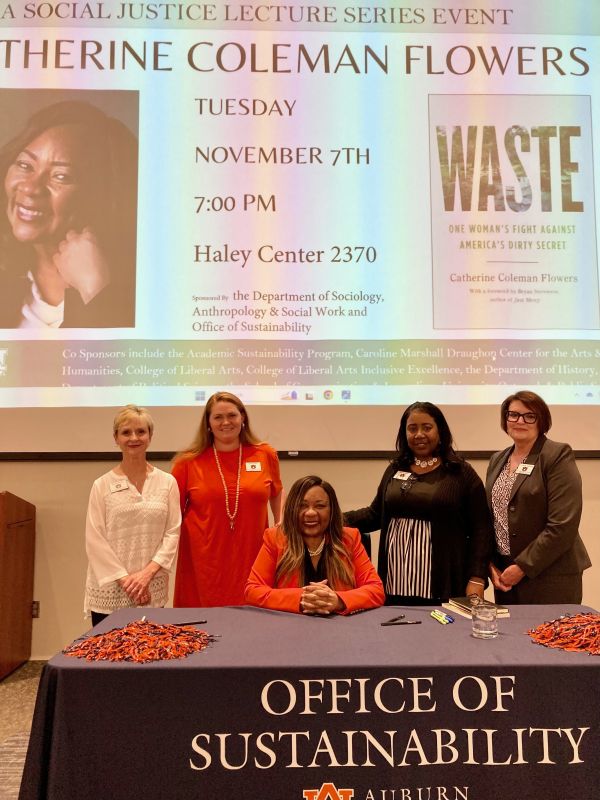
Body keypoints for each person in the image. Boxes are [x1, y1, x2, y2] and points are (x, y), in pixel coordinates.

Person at [0, 99, 138, 328]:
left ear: (101, 192)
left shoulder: (139, 291)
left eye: (61, 176)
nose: (30, 187)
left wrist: (96, 290)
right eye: (25, 165)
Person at [345, 401, 493, 605]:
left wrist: (477, 577)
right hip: (395, 581)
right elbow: (374, 514)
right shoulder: (395, 469)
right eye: (412, 429)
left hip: (443, 584)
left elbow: (481, 528)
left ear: (440, 431)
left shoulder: (461, 473)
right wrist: (334, 519)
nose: (419, 434)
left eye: (427, 427)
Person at [173, 391, 283, 607]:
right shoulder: (187, 462)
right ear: (208, 423)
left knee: (251, 621)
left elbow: (276, 491)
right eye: (218, 417)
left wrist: (280, 526)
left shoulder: (265, 454)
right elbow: (172, 513)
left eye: (232, 415)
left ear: (243, 418)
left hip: (252, 553)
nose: (226, 422)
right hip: (203, 560)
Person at [486, 390, 591, 604]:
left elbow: (563, 525)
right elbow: (493, 519)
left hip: (550, 575)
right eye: (513, 414)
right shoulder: (497, 459)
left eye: (529, 416)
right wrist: (491, 565)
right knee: (509, 637)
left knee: (549, 638)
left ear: (541, 420)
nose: (519, 421)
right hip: (506, 576)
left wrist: (523, 567)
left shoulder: (557, 455)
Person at [84, 405, 181, 627]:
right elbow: (95, 539)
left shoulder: (167, 483)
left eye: (141, 431)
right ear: (115, 438)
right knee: (108, 658)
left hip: (151, 588)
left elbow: (173, 532)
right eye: (126, 432)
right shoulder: (101, 485)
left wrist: (146, 575)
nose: (134, 438)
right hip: (110, 590)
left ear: (150, 436)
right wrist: (127, 581)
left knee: (151, 656)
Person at [246, 475, 384, 614]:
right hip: (289, 627)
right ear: (292, 509)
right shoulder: (275, 538)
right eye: (302, 506)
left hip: (341, 628)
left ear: (332, 511)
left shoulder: (349, 539)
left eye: (320, 506)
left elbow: (376, 590)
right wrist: (301, 599)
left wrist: (338, 600)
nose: (310, 512)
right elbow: (253, 590)